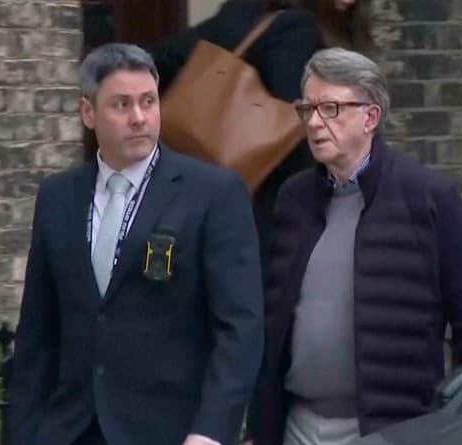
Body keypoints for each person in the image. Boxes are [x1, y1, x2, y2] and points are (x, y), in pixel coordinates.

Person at [9, 43, 264, 445]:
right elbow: (38, 329)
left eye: (148, 101)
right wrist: (24, 444)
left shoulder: (212, 194)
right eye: (121, 104)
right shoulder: (58, 197)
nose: (139, 117)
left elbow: (240, 328)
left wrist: (212, 432)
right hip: (69, 441)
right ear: (88, 112)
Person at [244, 48, 462, 445]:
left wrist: (452, 433)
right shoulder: (294, 199)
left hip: (395, 438)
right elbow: (273, 325)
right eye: (307, 109)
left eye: (330, 108)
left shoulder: (429, 198)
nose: (314, 122)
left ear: (371, 117)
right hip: (299, 431)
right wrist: (262, 429)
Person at [148, 0, 374, 279]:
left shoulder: (244, 13)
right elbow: (301, 131)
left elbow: (161, 57)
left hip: (210, 205)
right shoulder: (298, 30)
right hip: (269, 219)